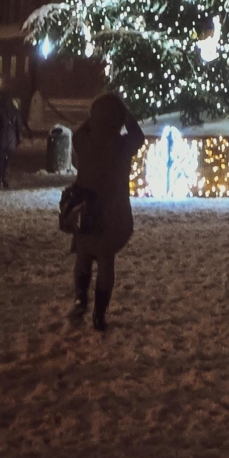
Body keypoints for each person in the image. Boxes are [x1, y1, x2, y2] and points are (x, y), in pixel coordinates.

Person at [68, 91, 146, 331]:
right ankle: (99, 315)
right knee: (105, 262)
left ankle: (81, 298)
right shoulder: (121, 145)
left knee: (83, 257)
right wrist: (126, 113)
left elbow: (77, 133)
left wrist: (93, 118)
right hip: (113, 214)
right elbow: (139, 137)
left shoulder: (84, 142)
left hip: (86, 212)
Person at [0, 89, 21, 187]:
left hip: (0, 137)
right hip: (11, 138)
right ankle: (3, 177)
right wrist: (18, 137)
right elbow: (18, 126)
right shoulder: (15, 110)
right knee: (7, 160)